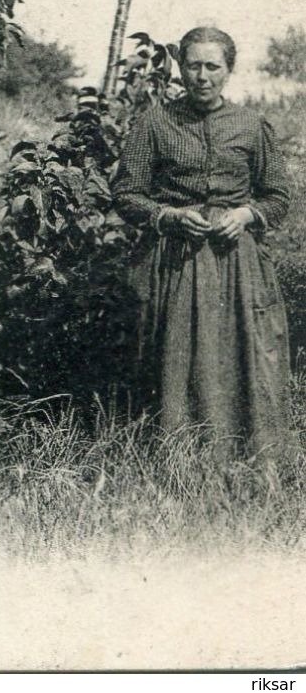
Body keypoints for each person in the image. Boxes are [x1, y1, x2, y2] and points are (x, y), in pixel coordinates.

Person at [113, 26, 294, 462]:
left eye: (213, 66)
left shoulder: (251, 126)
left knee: (244, 357)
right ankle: (178, 464)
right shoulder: (155, 123)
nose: (202, 76)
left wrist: (246, 214)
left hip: (238, 265)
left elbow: (278, 196)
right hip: (176, 262)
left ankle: (249, 464)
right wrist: (168, 216)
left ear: (229, 70)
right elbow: (126, 193)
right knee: (178, 359)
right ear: (180, 67)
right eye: (193, 65)